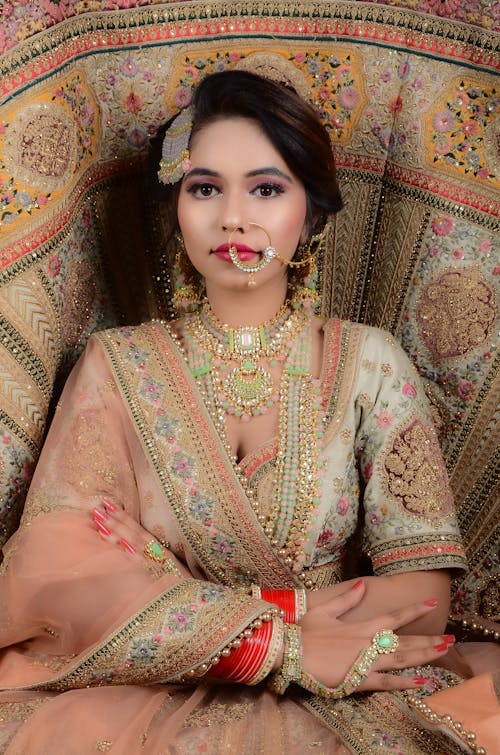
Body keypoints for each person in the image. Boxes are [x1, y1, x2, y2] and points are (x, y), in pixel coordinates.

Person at [0, 69, 491, 754]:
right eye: (205, 188)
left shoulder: (369, 365)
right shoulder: (118, 365)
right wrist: (284, 636)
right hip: (152, 691)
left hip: (351, 677)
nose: (233, 217)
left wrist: (183, 591)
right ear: (176, 204)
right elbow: (57, 580)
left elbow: (424, 603)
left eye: (266, 188)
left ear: (311, 212)